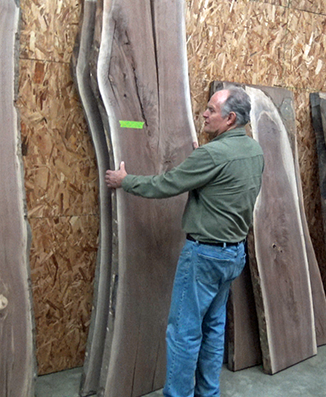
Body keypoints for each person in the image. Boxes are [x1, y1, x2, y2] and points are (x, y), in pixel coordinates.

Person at [105, 87, 264, 397]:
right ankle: (208, 393)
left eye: (211, 110)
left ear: (230, 118)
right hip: (233, 256)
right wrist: (203, 159)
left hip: (204, 256)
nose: (204, 114)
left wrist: (126, 182)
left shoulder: (213, 155)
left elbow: (167, 184)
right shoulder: (253, 151)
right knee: (213, 328)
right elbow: (224, 187)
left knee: (184, 333)